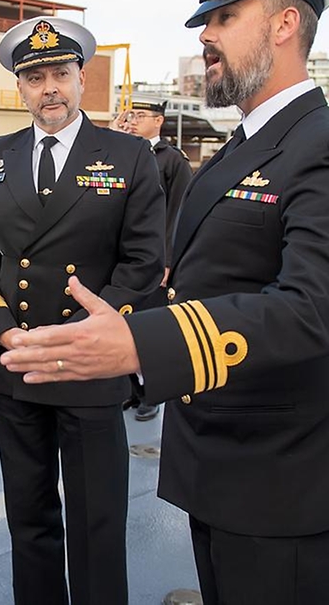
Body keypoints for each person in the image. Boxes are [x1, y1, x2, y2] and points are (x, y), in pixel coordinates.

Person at [1, 0, 329, 605]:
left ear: (285, 23)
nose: (206, 34)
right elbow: (195, 280)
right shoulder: (251, 144)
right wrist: (117, 328)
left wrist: (138, 343)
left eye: (224, 16)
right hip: (222, 465)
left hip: (284, 484)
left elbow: (315, 309)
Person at [0, 16, 165, 605]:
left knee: (98, 524)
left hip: (89, 365)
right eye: (35, 77)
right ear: (20, 88)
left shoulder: (127, 155)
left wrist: (89, 333)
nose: (49, 87)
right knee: (29, 517)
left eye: (60, 74)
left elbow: (144, 260)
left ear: (81, 80)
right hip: (15, 362)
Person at [112, 97, 193, 421]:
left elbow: (179, 214)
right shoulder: (124, 154)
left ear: (158, 121)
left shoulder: (172, 161)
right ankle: (130, 390)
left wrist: (168, 261)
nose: (133, 121)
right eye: (130, 115)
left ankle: (152, 394)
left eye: (140, 116)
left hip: (156, 262)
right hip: (124, 260)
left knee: (152, 330)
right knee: (124, 326)